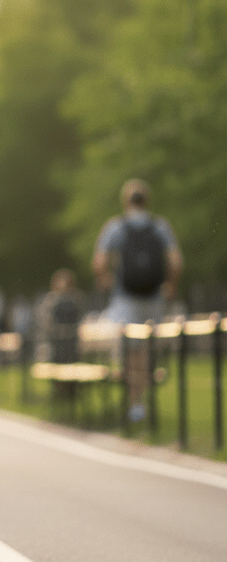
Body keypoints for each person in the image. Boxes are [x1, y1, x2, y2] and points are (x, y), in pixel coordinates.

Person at [92, 178, 182, 422]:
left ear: (125, 201)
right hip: (153, 297)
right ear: (147, 200)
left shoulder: (116, 227)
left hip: (126, 298)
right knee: (146, 348)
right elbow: (175, 261)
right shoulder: (160, 226)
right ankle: (144, 400)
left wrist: (106, 280)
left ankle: (136, 404)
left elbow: (99, 262)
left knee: (130, 351)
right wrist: (171, 286)